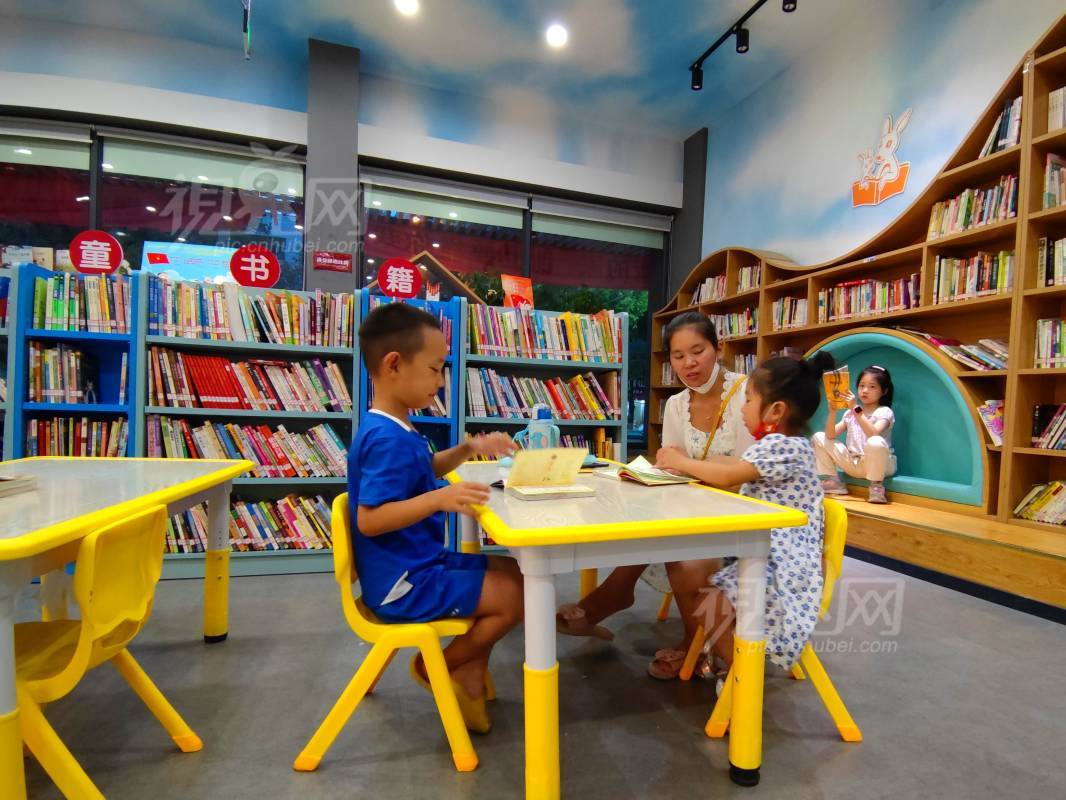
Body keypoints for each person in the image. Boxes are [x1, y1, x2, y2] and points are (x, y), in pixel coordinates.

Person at [349, 301, 521, 733]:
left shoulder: (394, 427)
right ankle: (439, 667)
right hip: (403, 584)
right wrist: (438, 500)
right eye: (434, 369)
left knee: (513, 574)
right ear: (393, 365)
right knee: (514, 597)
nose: (442, 381)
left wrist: (468, 449)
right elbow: (370, 520)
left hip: (416, 565)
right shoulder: (386, 439)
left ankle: (467, 670)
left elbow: (423, 469)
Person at [556, 311, 753, 676]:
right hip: (697, 507)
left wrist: (692, 467)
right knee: (647, 520)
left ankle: (691, 643)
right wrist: (698, 468)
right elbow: (672, 467)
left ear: (719, 348)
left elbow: (744, 476)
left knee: (682, 555)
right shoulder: (677, 404)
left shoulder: (748, 394)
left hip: (744, 517)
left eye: (698, 351)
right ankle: (620, 595)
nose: (689, 363)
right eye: (678, 355)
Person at [661, 352, 831, 684]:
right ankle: (731, 661)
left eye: (749, 399)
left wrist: (680, 463)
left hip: (782, 569)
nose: (742, 407)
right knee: (705, 589)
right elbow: (732, 466)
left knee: (708, 599)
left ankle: (742, 677)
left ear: (775, 411)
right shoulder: (783, 445)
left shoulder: (782, 447)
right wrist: (694, 464)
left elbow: (730, 475)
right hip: (773, 557)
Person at [812, 364, 896, 504]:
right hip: (854, 464)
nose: (865, 390)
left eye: (872, 387)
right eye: (862, 386)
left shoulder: (884, 412)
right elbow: (830, 435)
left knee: (875, 442)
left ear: (884, 391)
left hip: (881, 466)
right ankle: (833, 482)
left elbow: (873, 433)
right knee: (819, 437)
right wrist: (832, 412)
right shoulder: (849, 413)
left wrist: (855, 408)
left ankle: (876, 487)